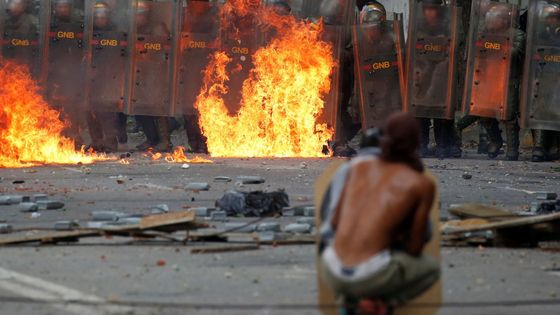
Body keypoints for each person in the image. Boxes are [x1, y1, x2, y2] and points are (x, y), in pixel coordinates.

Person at [319, 112, 440, 309]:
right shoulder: (420, 184)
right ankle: (379, 302)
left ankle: (350, 300)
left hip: (331, 269)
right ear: (415, 143)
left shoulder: (357, 166)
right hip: (370, 275)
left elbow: (333, 223)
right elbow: (415, 247)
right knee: (431, 269)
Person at [469, 3, 525, 161]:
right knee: (484, 112)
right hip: (488, 78)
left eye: (493, 19)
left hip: (508, 80)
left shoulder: (517, 34)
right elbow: (477, 50)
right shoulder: (485, 34)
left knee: (508, 116)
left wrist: (496, 46)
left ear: (503, 19)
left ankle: (513, 149)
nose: (489, 22)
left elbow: (515, 52)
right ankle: (495, 140)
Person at [413, 0, 461, 159]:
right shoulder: (418, 27)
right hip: (423, 72)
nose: (429, 13)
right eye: (427, 10)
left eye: (432, 10)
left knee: (442, 110)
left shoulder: (448, 27)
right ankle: (421, 144)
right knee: (421, 110)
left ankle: (443, 144)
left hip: (442, 74)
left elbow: (454, 48)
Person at [354, 1, 403, 131]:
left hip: (389, 90)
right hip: (369, 93)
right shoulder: (359, 44)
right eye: (368, 28)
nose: (371, 31)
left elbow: (400, 65)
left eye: (374, 28)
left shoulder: (390, 41)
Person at [134, 0, 173, 152]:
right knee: (140, 108)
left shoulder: (157, 28)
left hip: (155, 73)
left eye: (141, 14)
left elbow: (163, 51)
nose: (139, 17)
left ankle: (164, 141)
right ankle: (151, 138)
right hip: (140, 73)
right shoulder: (135, 29)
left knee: (157, 108)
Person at [48, 0, 86, 147]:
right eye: (60, 6)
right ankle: (57, 138)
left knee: (72, 107)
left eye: (65, 6)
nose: (63, 9)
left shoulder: (79, 24)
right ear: (56, 8)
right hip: (54, 72)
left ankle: (75, 138)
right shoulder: (49, 23)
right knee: (54, 107)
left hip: (72, 72)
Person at [85, 1, 122, 153]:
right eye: (98, 17)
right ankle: (97, 142)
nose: (101, 20)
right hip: (90, 76)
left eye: (103, 17)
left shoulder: (114, 33)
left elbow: (116, 56)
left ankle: (110, 143)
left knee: (106, 112)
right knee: (89, 109)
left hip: (108, 77)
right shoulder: (89, 31)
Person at [532, 3, 560, 162]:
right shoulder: (541, 34)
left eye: (554, 18)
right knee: (541, 111)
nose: (552, 21)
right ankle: (539, 147)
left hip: (557, 75)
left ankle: (554, 147)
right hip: (544, 75)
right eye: (549, 18)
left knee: (556, 111)